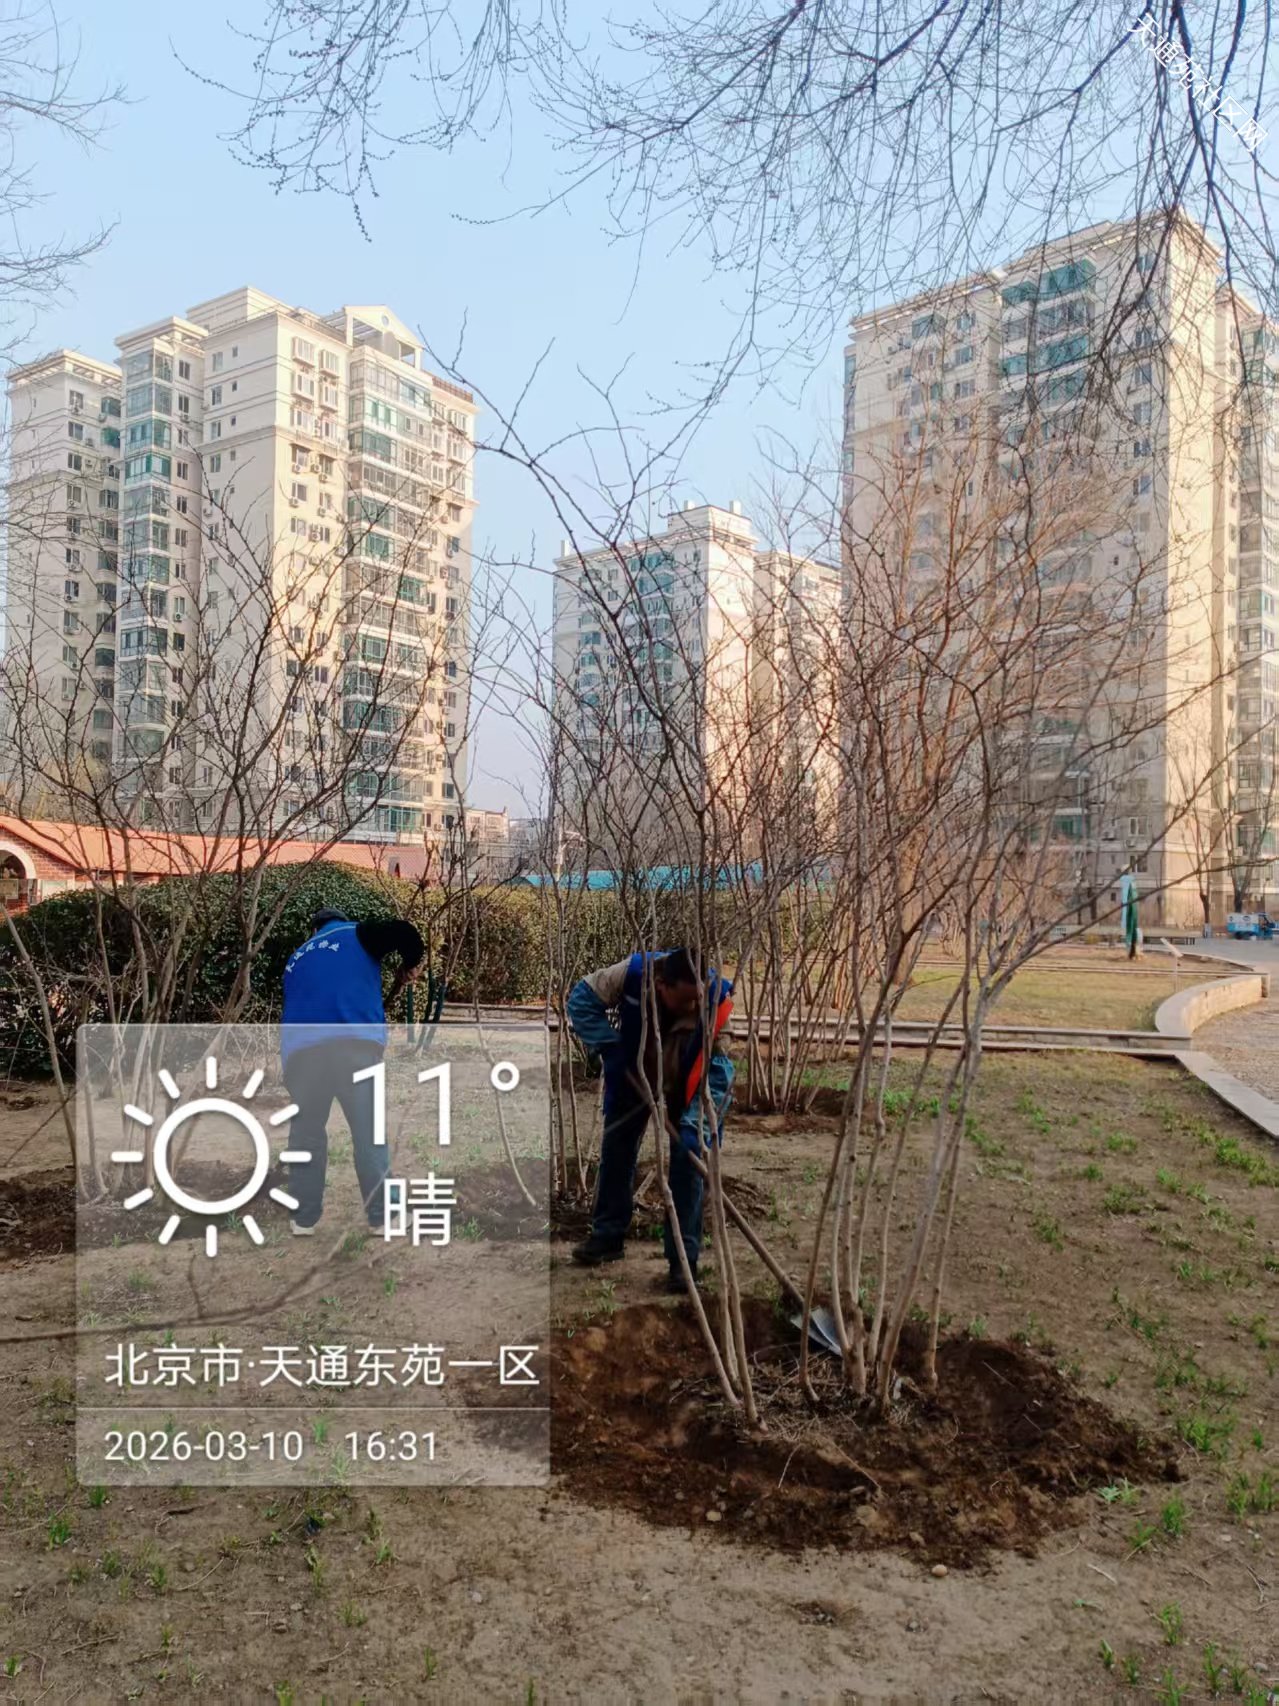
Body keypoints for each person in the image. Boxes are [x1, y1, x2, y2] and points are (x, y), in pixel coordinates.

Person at [566, 947, 734, 1292]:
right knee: (617, 1147)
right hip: (634, 1071)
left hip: (689, 1082)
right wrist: (610, 1047)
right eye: (683, 1000)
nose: (690, 1007)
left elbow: (719, 1070)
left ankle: (683, 1263)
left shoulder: (714, 1000)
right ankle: (607, 1237)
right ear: (661, 985)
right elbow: (581, 1001)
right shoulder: (630, 973)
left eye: (695, 999)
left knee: (688, 1156)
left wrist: (697, 1125)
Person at [280, 907, 426, 1235]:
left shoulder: (296, 958)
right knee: (367, 1130)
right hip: (352, 1046)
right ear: (341, 921)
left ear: (314, 930)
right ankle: (385, 1216)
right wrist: (409, 965)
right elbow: (406, 933)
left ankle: (302, 1219)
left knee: (306, 1134)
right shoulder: (356, 933)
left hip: (301, 1054)